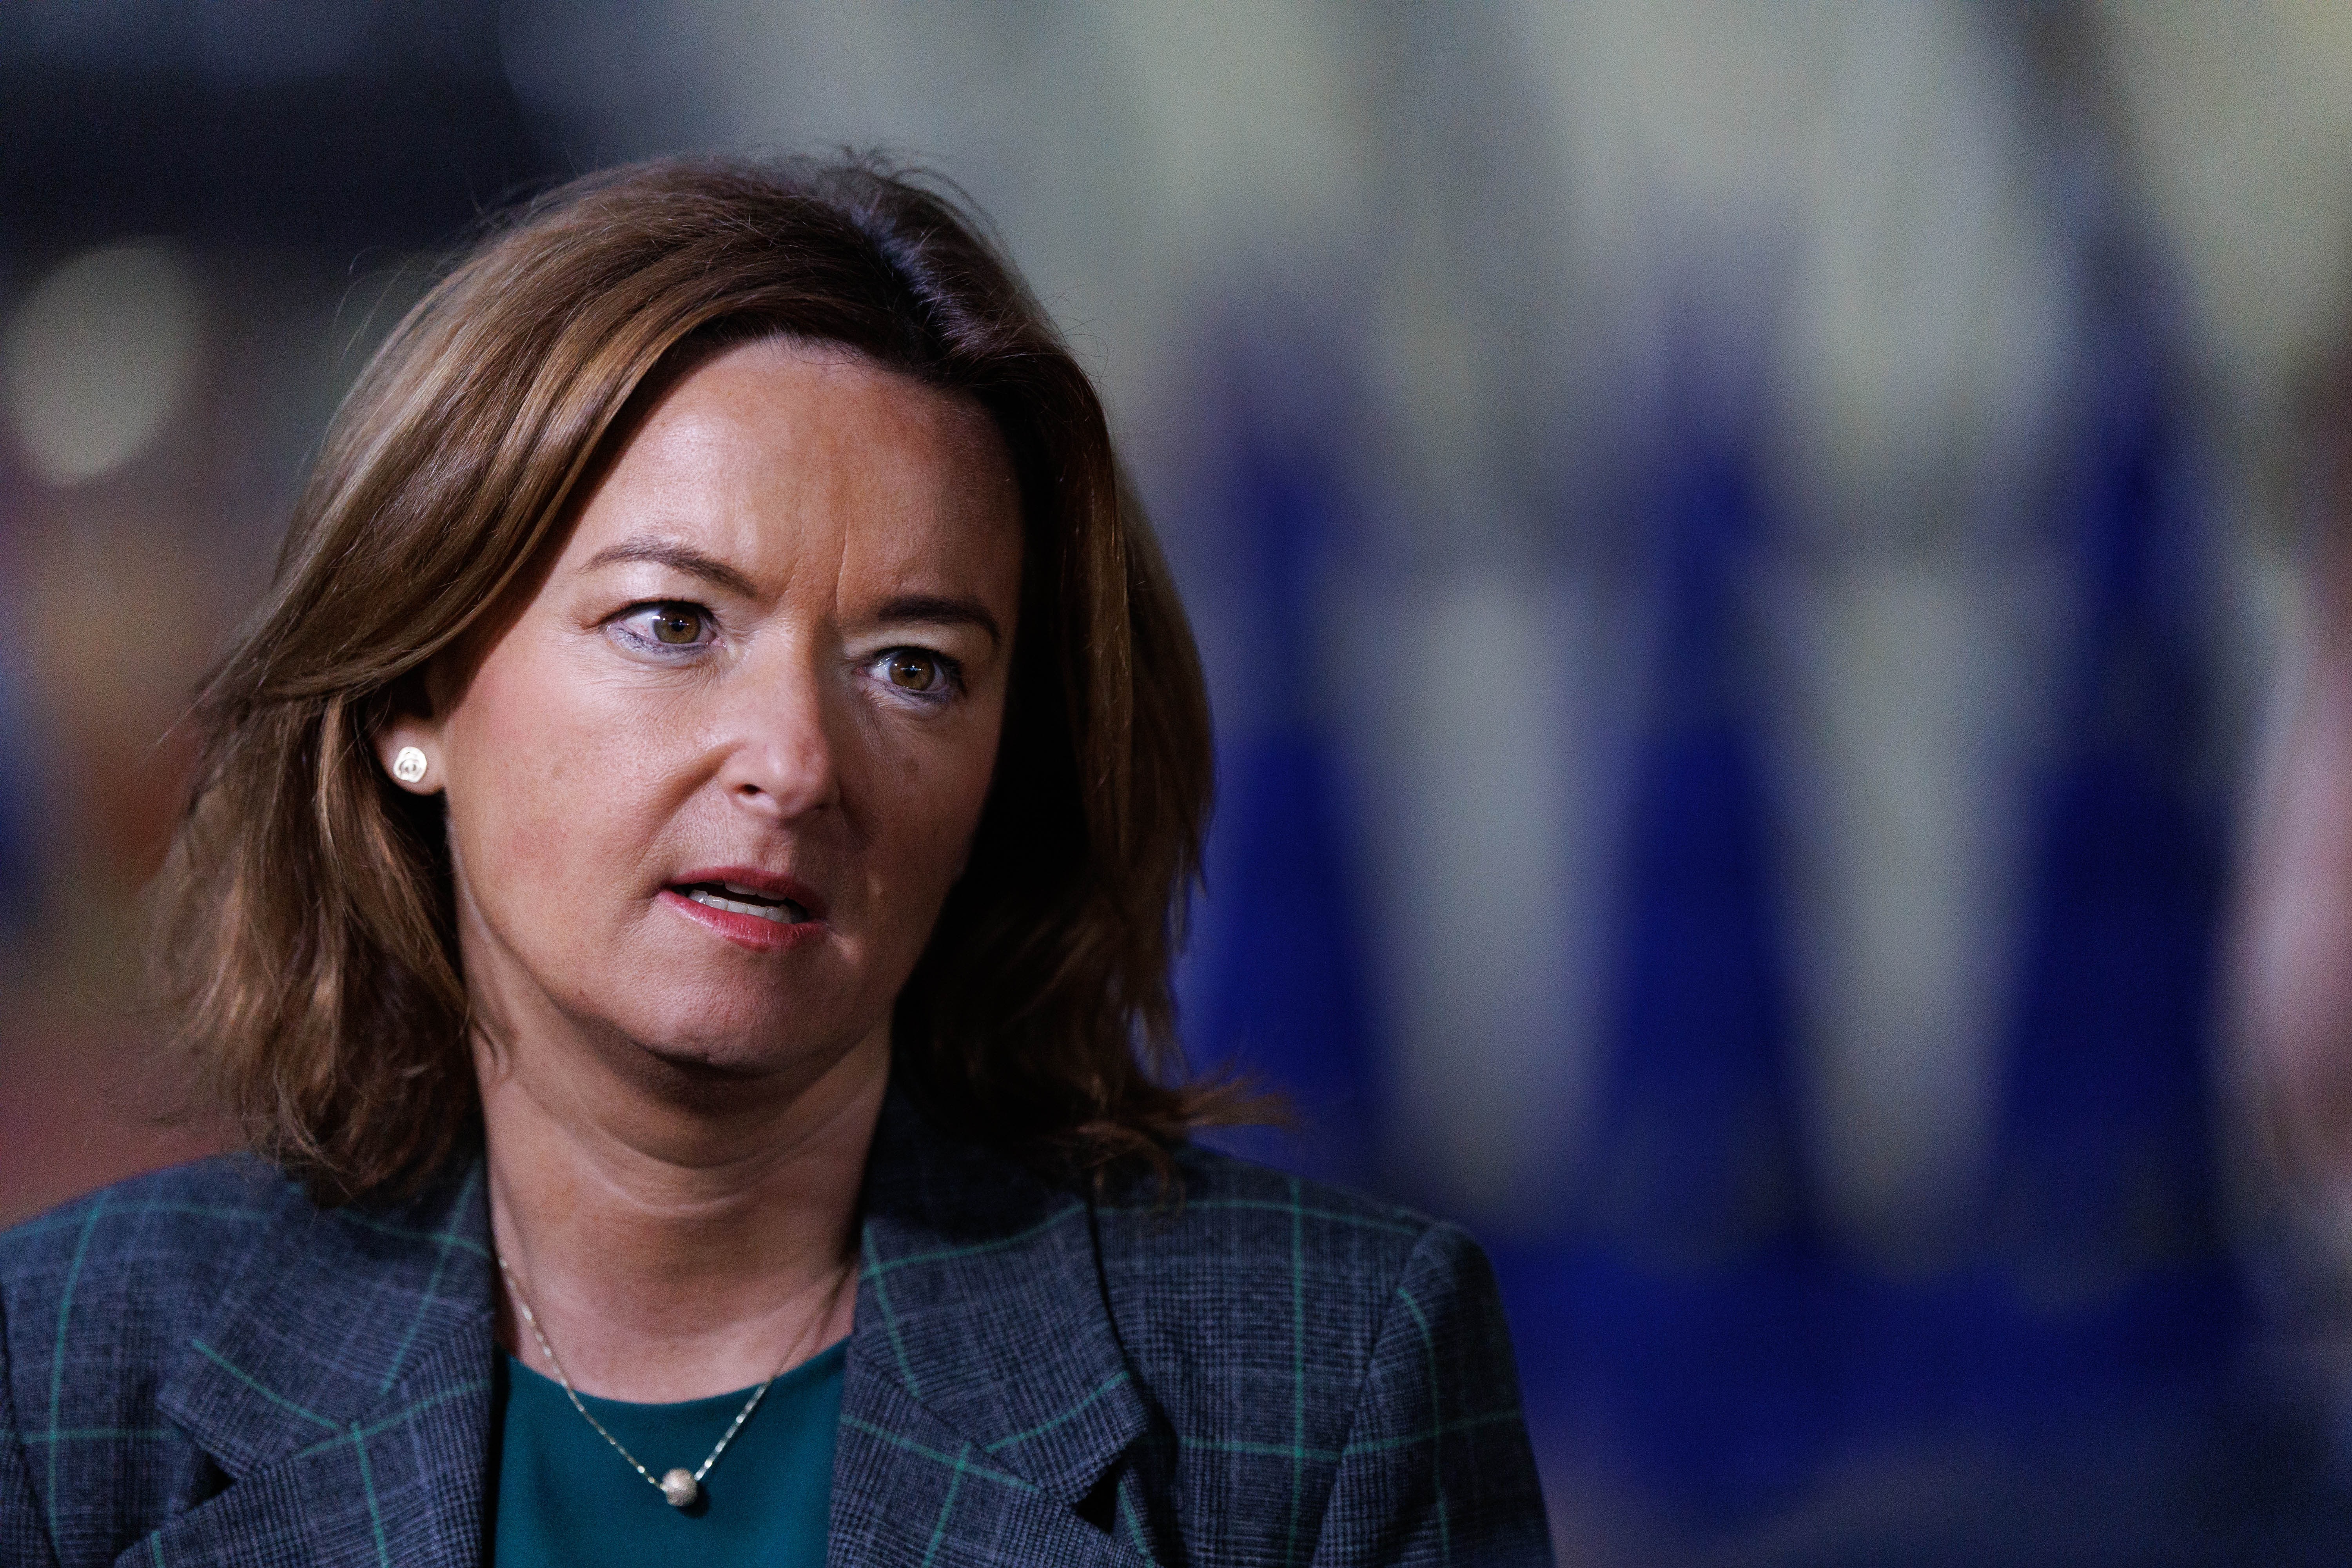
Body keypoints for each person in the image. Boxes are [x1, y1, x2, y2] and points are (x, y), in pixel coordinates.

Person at [0, 156, 1552, 1567]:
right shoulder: (71, 1369)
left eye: (915, 666)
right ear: (414, 691)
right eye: (672, 624)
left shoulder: (1324, 1368)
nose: (798, 763)